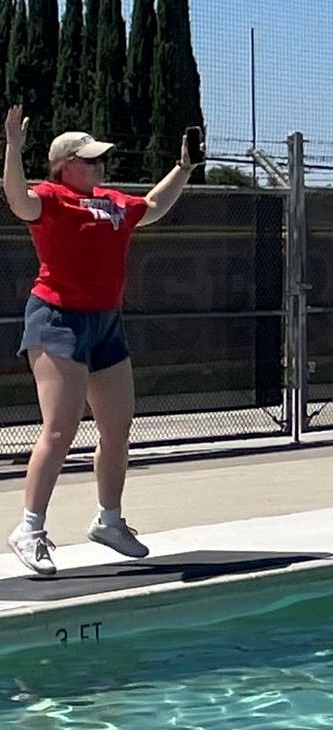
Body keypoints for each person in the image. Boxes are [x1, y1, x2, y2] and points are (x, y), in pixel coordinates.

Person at [2, 106, 198, 576]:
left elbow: (151, 208)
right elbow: (16, 200)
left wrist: (184, 168)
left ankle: (109, 521)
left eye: (100, 160)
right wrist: (12, 148)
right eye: (89, 160)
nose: (99, 166)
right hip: (57, 320)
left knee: (117, 428)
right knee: (59, 430)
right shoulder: (50, 198)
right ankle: (29, 529)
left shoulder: (113, 201)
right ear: (64, 164)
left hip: (106, 322)